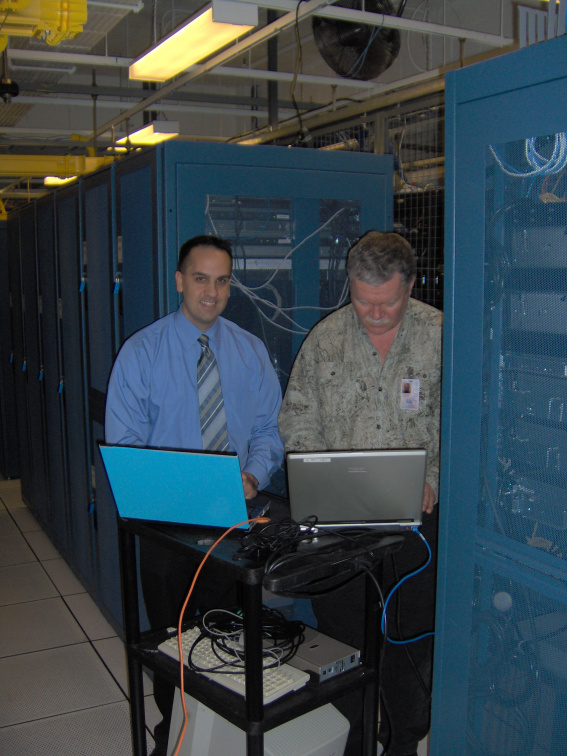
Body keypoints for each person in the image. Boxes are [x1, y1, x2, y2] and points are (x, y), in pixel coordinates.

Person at [105, 234, 284, 755]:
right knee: (172, 638)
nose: (212, 291)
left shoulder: (250, 351)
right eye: (201, 278)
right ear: (180, 281)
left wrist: (252, 474)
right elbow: (126, 447)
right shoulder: (142, 353)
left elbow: (270, 430)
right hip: (167, 527)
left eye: (222, 279)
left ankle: (217, 729)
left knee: (225, 632)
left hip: (234, 519)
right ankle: (174, 730)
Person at [278, 230, 442, 756]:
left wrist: (434, 475)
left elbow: (467, 421)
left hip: (419, 521)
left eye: (387, 302)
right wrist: (319, 475)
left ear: (411, 285)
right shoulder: (325, 339)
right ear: (349, 285)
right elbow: (297, 420)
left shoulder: (442, 336)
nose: (373, 313)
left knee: (410, 640)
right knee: (343, 642)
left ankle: (402, 741)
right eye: (362, 299)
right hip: (342, 527)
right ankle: (349, 741)